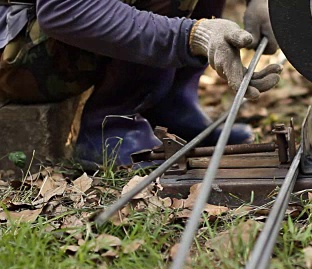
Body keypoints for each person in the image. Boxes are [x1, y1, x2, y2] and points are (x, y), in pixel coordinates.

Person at [0, 0, 281, 167]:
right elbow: (64, 11)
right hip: (17, 48)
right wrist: (190, 37)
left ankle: (169, 104)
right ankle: (112, 125)